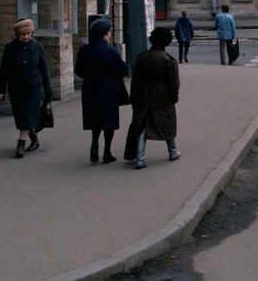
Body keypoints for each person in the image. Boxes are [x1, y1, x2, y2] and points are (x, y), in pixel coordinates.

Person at [124, 27, 180, 170]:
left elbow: (136, 80)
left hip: (144, 94)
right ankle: (172, 151)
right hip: (163, 96)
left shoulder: (142, 57)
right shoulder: (169, 60)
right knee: (167, 124)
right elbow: (174, 83)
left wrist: (134, 99)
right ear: (167, 42)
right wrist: (174, 97)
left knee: (142, 126)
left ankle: (140, 158)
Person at [0, 18, 52, 158]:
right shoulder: (10, 48)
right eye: (23, 35)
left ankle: (20, 144)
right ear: (17, 34)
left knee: (28, 114)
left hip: (34, 88)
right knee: (21, 116)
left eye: (28, 34)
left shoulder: (37, 47)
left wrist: (48, 89)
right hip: (16, 88)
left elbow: (44, 69)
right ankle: (33, 137)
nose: (26, 37)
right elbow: (4, 70)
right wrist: (0, 90)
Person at [74, 18, 129, 164]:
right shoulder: (111, 50)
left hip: (90, 88)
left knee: (95, 119)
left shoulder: (84, 50)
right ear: (106, 34)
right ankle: (107, 152)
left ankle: (94, 146)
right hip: (109, 88)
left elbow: (78, 71)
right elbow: (123, 69)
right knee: (109, 121)